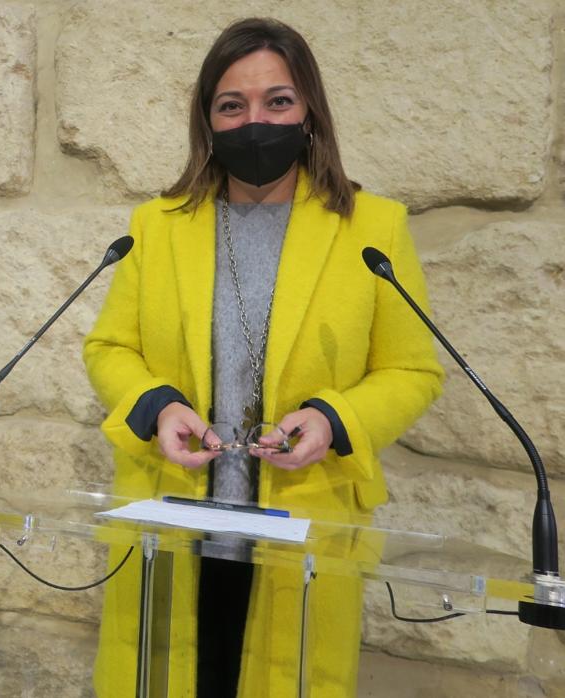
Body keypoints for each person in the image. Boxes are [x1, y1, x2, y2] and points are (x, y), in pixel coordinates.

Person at [82, 17, 445, 698]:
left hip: (305, 530)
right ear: (207, 122)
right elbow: (109, 349)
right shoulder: (155, 227)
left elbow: (412, 369)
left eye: (277, 101)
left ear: (309, 111)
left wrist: (332, 419)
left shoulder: (372, 228)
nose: (256, 122)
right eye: (232, 105)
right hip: (173, 522)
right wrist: (156, 407)